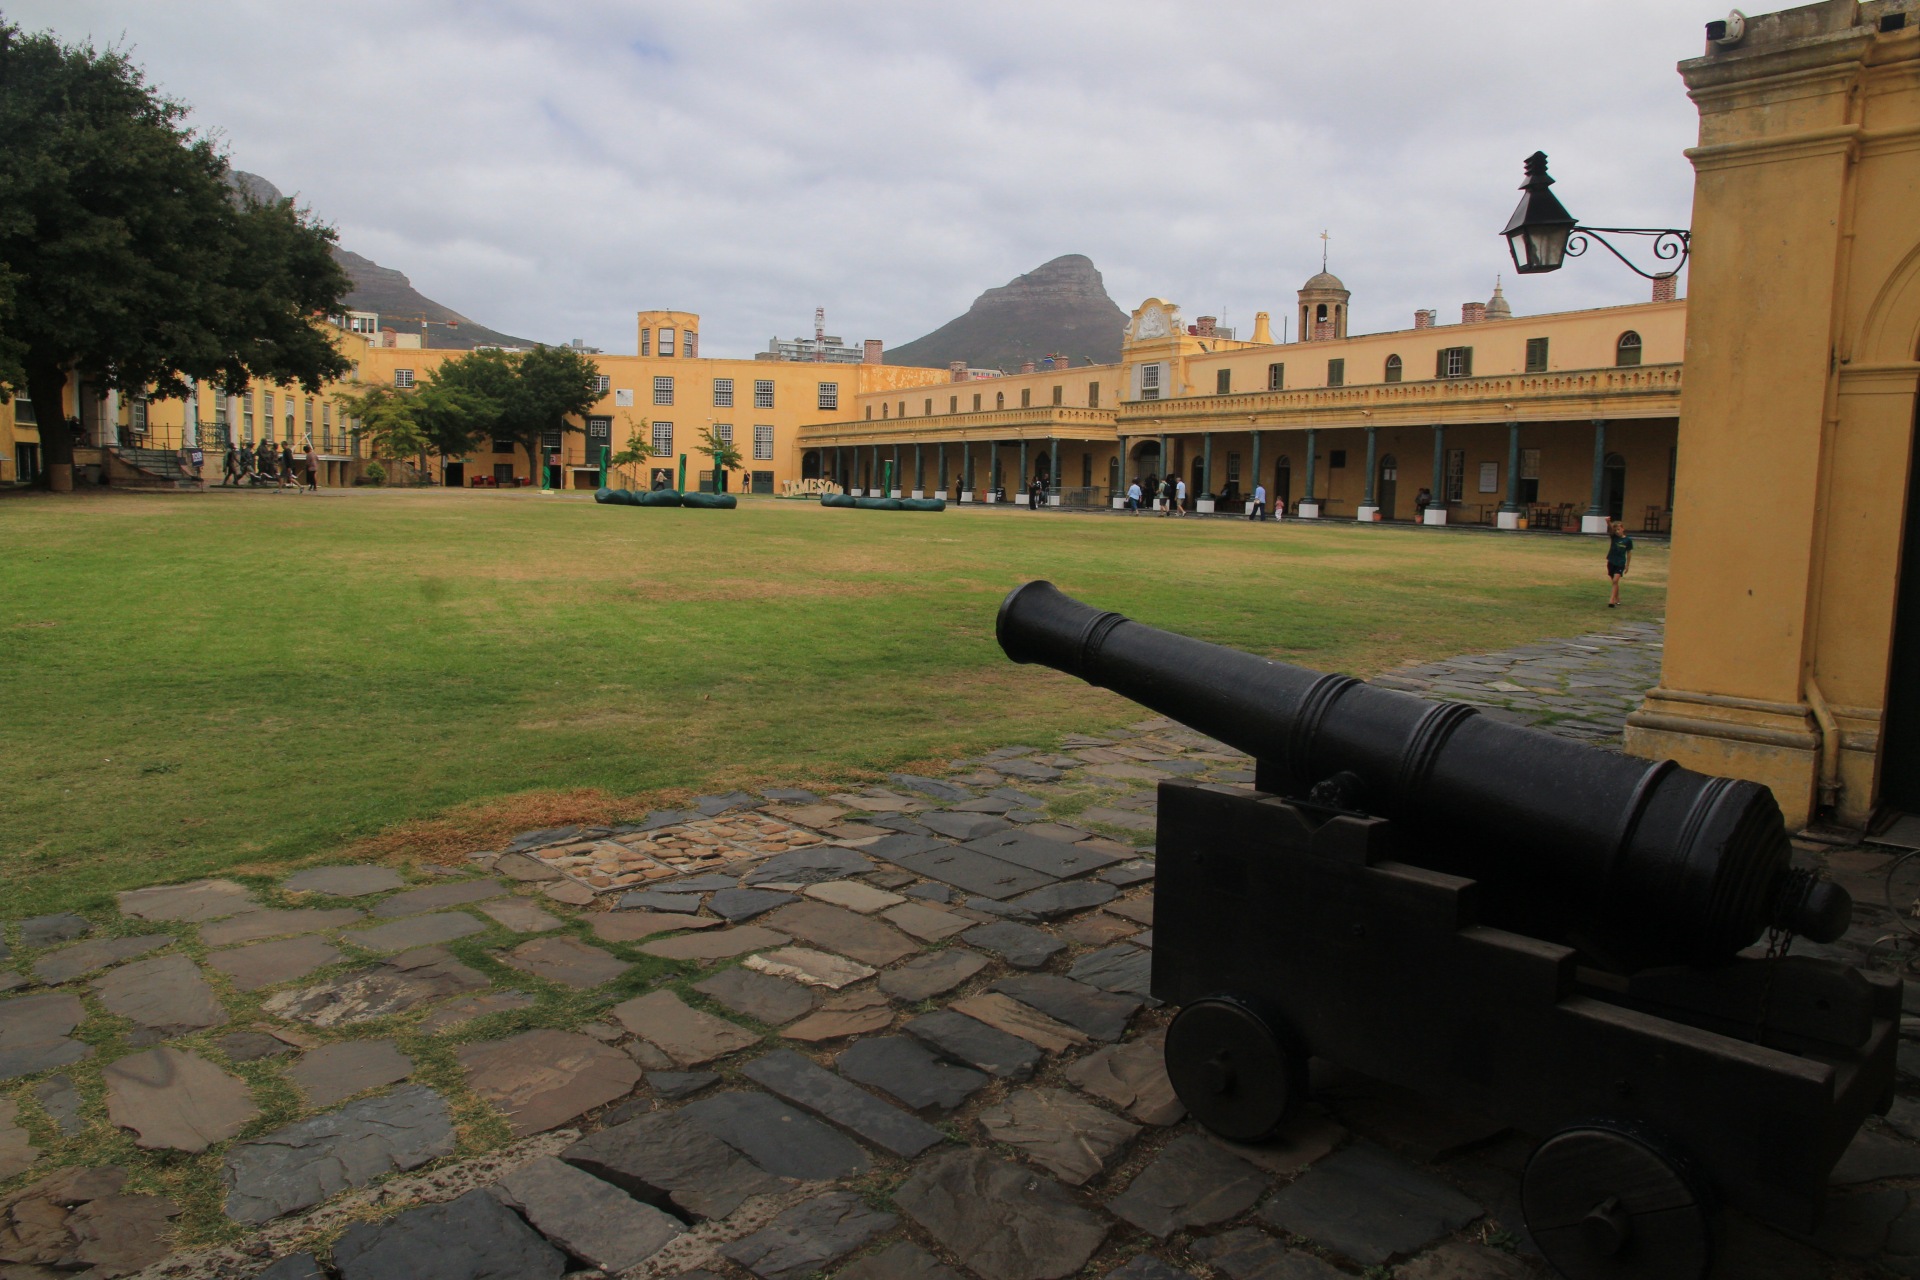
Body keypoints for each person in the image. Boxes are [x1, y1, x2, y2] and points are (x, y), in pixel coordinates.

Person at [1606, 520, 1635, 607]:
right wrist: (1608, 522)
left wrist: (1627, 565)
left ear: (1623, 529)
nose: (1617, 531)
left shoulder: (1628, 540)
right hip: (1611, 561)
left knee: (1615, 580)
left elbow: (1629, 553)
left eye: (1618, 529)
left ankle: (1611, 601)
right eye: (1615, 530)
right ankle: (1617, 598)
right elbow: (1610, 529)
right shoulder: (1614, 537)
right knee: (1614, 582)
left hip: (1620, 563)